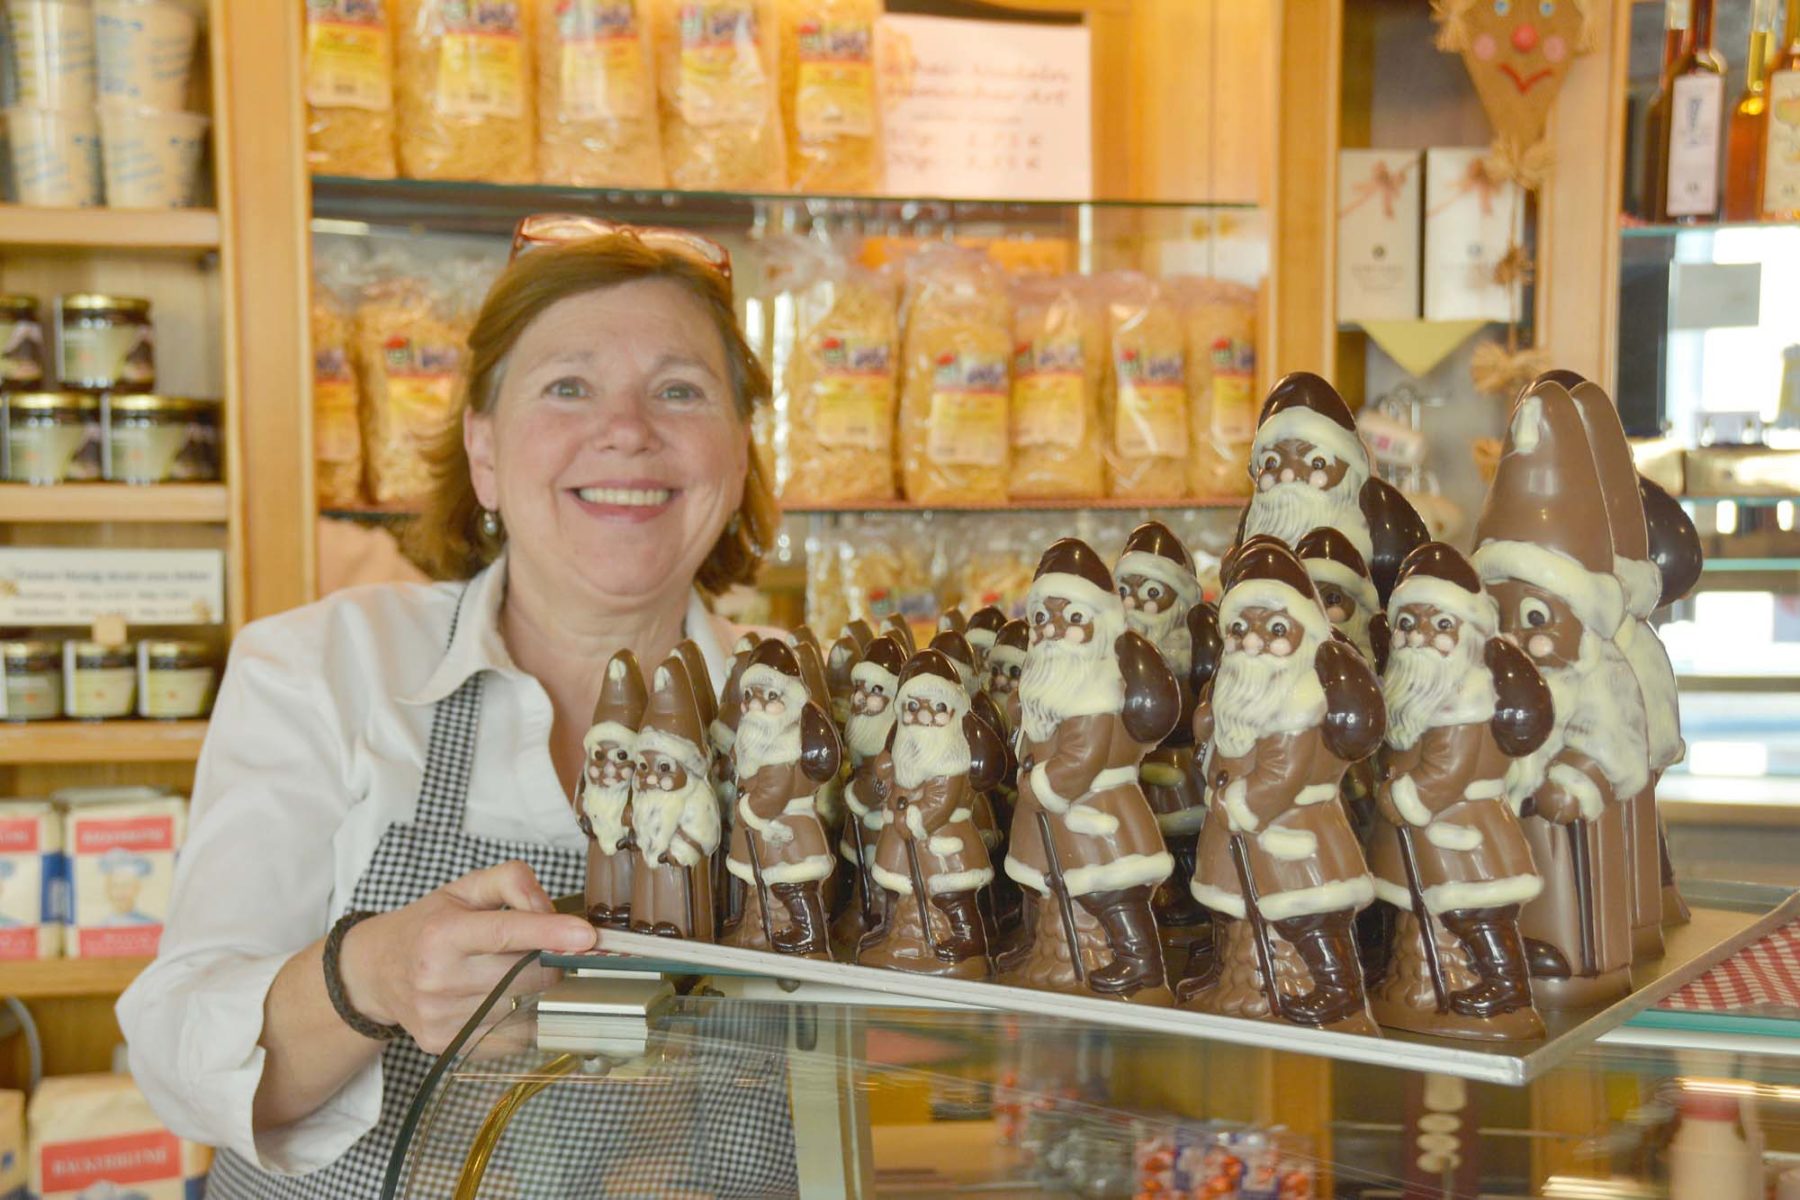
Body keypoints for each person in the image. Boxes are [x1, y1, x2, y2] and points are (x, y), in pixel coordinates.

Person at [117, 220, 793, 1197]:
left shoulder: (813, 723)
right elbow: (178, 1058)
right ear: (483, 448)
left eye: (680, 390)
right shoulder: (325, 669)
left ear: (737, 453)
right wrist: (369, 979)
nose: (628, 430)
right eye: (568, 385)